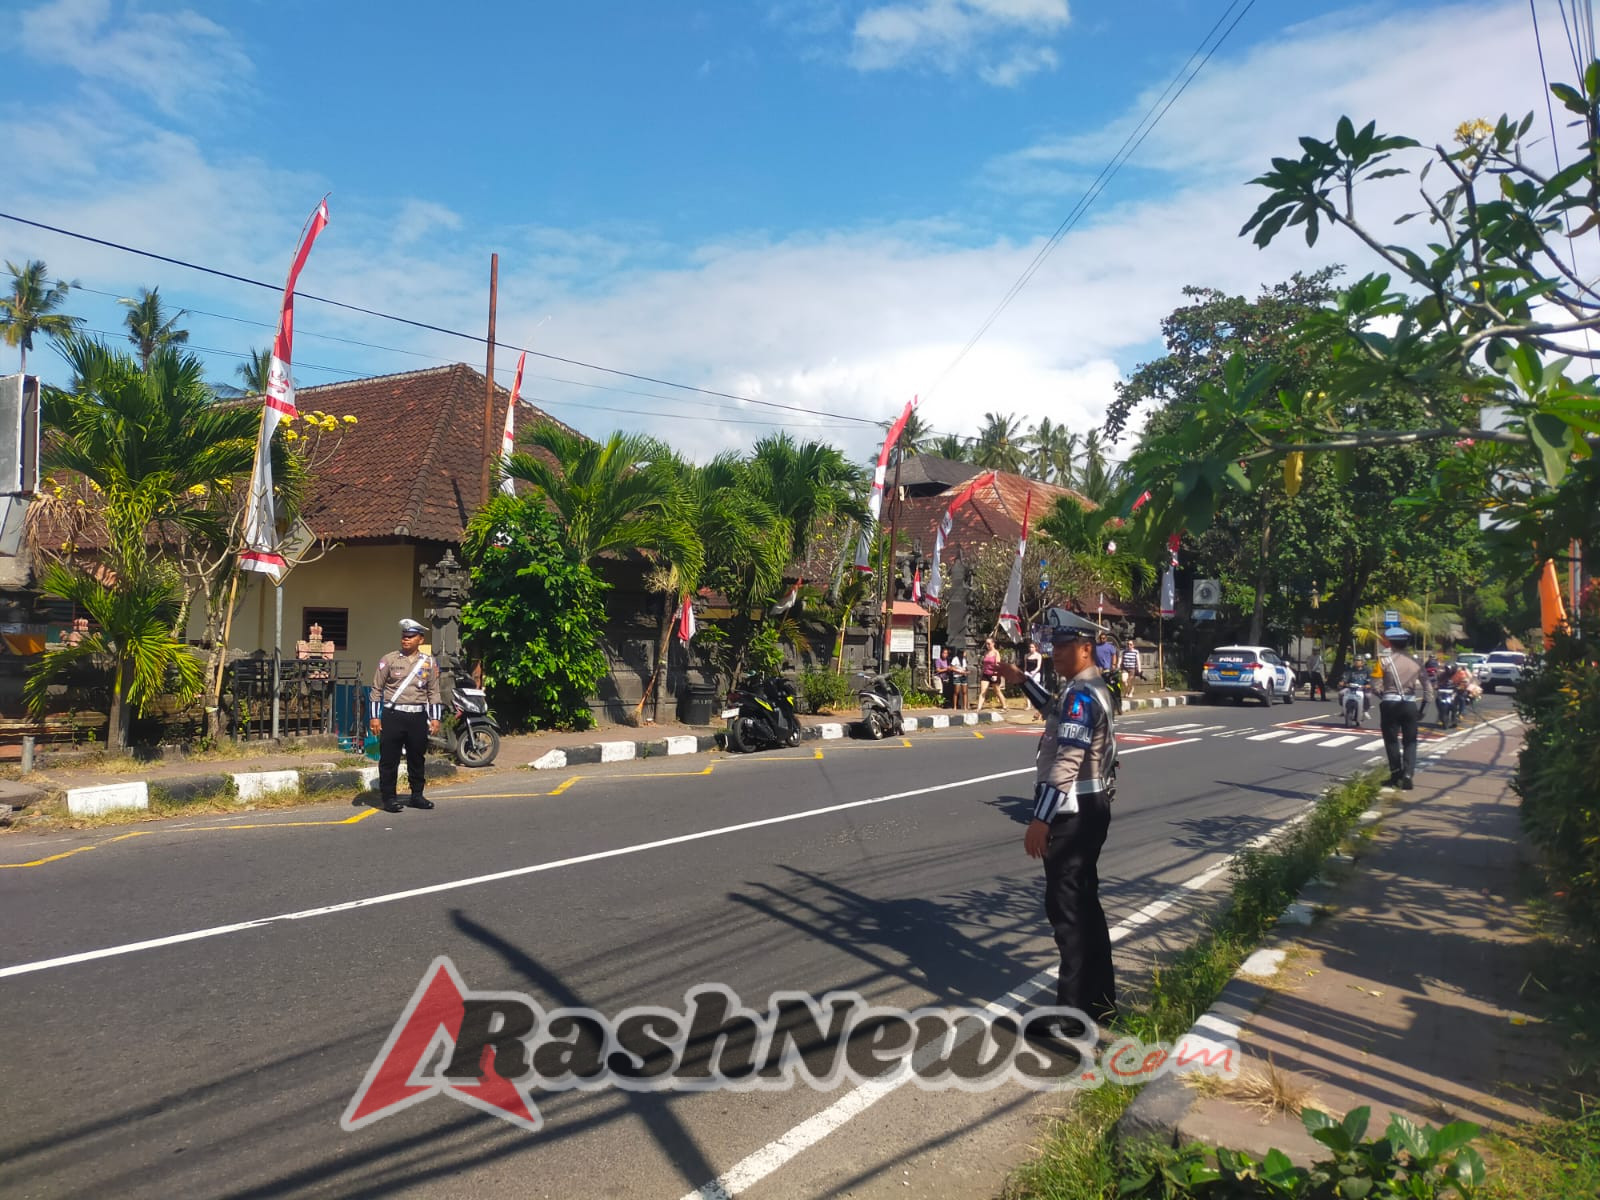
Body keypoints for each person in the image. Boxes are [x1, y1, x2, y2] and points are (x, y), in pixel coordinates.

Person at [996, 607, 1120, 1034]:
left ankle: (1070, 1017)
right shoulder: (1087, 691)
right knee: (1085, 907)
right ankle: (1100, 1003)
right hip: (1092, 808)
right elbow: (1053, 709)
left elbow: (1066, 762)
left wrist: (1040, 819)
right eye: (1054, 648)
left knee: (1067, 911)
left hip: (1074, 813)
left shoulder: (1082, 697)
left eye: (1064, 648)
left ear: (1086, 649)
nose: (1055, 655)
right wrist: (1022, 681)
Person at [370, 618, 444, 813]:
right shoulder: (389, 659)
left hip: (417, 716)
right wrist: (374, 717)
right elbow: (376, 689)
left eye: (411, 637)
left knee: (417, 757)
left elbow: (433, 692)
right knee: (389, 758)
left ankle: (417, 795)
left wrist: (435, 718)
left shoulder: (429, 663)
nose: (406, 640)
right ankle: (389, 798)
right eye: (404, 636)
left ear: (420, 639)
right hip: (393, 715)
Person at [1374, 627, 1430, 791]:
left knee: (1391, 741)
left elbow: (1374, 685)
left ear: (1390, 643)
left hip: (1390, 704)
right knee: (1410, 741)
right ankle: (1408, 774)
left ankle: (1396, 775)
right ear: (1407, 643)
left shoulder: (1383, 661)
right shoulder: (1417, 662)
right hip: (1410, 704)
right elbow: (1428, 688)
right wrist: (1423, 709)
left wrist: (1383, 696)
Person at [976, 636, 1007, 711]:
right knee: (983, 691)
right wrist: (982, 673)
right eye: (986, 644)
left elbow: (997, 664)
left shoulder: (996, 652)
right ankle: (979, 707)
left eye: (989, 644)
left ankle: (1004, 706)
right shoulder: (986, 653)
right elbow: (984, 664)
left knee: (997, 691)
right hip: (986, 674)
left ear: (993, 644)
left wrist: (995, 674)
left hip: (993, 674)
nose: (987, 645)